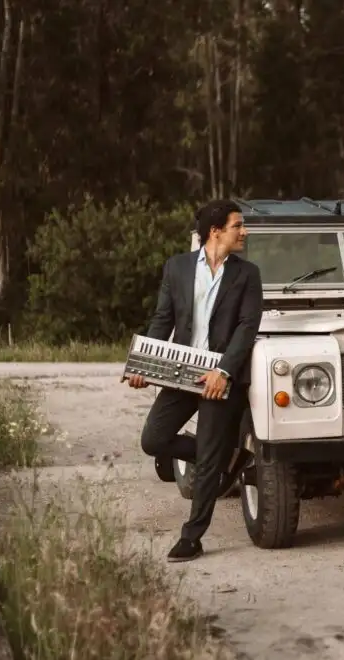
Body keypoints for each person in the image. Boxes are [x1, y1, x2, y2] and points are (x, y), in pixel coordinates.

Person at [127, 199, 263, 563]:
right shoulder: (177, 268)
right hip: (182, 370)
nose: (244, 232)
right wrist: (145, 365)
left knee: (206, 460)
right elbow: (162, 320)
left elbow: (247, 328)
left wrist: (224, 372)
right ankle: (219, 458)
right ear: (215, 231)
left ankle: (192, 537)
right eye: (238, 226)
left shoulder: (247, 274)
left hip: (221, 376)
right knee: (153, 439)